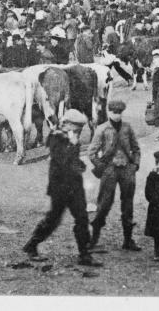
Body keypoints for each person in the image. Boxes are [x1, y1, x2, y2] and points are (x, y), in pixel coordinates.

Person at [22, 109, 101, 267]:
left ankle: (84, 254)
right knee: (53, 219)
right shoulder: (55, 138)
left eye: (80, 128)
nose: (79, 131)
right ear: (67, 124)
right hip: (60, 187)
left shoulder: (72, 138)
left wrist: (80, 164)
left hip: (75, 186)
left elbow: (73, 160)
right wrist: (72, 146)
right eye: (77, 127)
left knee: (82, 218)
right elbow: (62, 160)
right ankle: (31, 245)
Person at [87, 91, 142, 252]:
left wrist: (135, 165)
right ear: (108, 112)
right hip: (109, 170)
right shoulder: (102, 129)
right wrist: (101, 166)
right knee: (104, 204)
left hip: (126, 170)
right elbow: (91, 152)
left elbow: (136, 148)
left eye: (119, 113)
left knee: (128, 205)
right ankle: (93, 240)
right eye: (114, 112)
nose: (117, 115)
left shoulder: (127, 127)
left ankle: (128, 240)